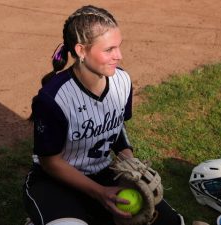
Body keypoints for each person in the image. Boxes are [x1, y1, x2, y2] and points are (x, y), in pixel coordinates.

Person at [23, 5, 184, 225]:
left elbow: (117, 126)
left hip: (104, 172)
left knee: (169, 222)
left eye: (119, 46)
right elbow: (49, 162)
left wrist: (128, 160)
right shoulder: (54, 99)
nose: (119, 56)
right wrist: (99, 192)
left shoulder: (122, 81)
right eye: (109, 49)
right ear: (81, 50)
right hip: (55, 181)